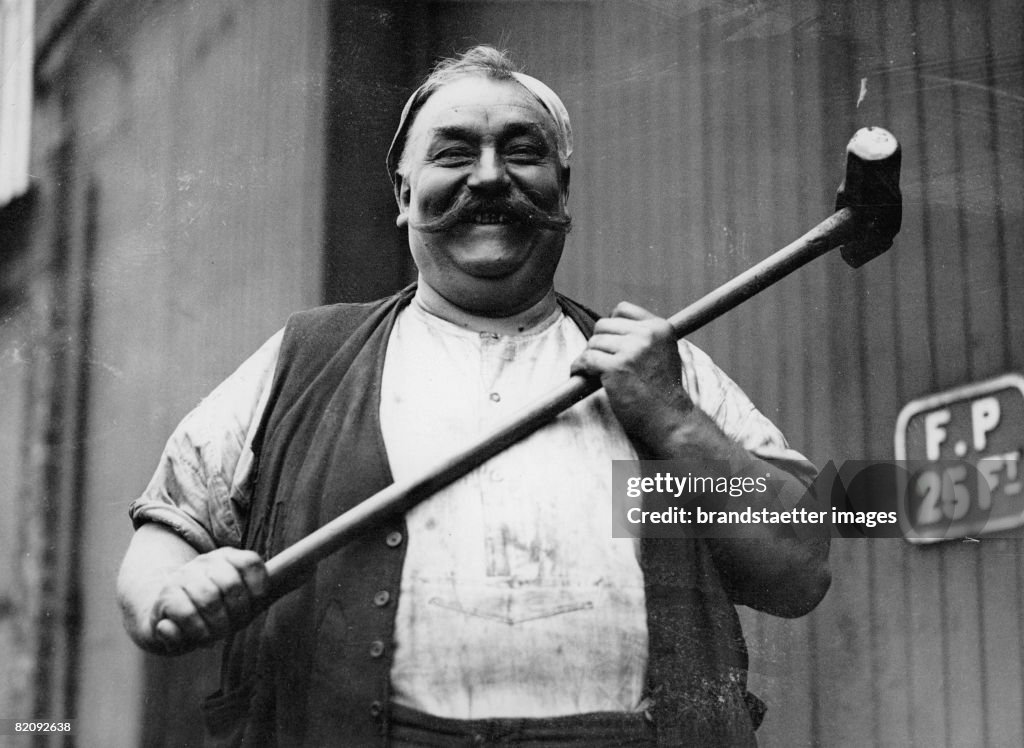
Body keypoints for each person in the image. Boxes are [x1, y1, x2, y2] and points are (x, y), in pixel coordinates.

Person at [117, 45, 830, 747]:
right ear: (403, 196)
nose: (489, 177)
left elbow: (802, 566)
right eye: (454, 154)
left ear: (563, 192)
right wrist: (168, 597)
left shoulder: (659, 368)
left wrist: (672, 419)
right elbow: (166, 540)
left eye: (522, 152)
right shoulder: (306, 359)